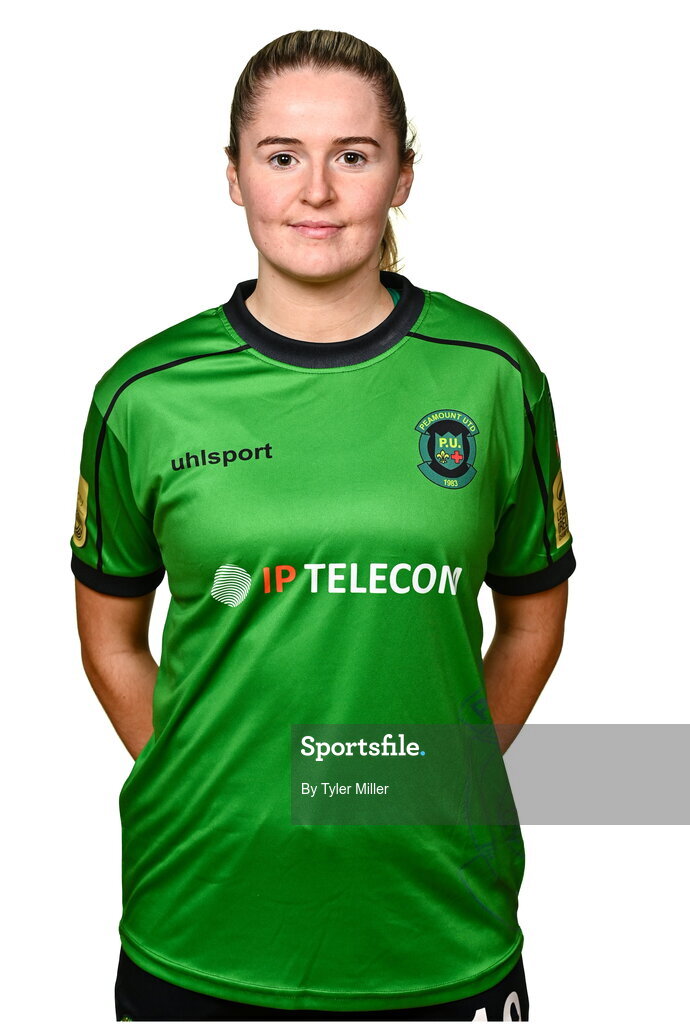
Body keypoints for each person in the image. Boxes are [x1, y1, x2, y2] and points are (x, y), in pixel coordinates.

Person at [71, 28, 575, 1023]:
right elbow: (109, 639)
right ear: (233, 177)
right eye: (280, 156)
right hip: (201, 919)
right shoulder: (145, 394)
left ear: (401, 176)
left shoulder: (489, 374)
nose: (315, 190)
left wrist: (421, 776)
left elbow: (528, 620)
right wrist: (216, 778)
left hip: (433, 925)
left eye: (352, 154)